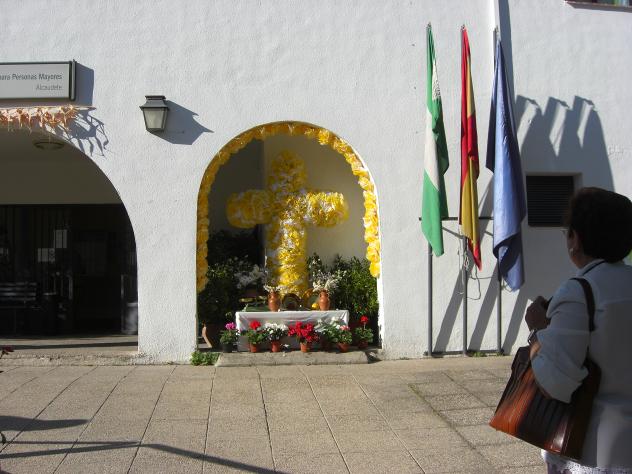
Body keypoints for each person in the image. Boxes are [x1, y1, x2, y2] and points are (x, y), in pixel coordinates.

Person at [525, 187, 632, 474]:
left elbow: (554, 384)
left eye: (568, 233)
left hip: (595, 448)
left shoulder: (579, 292)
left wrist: (537, 331)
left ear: (576, 239)